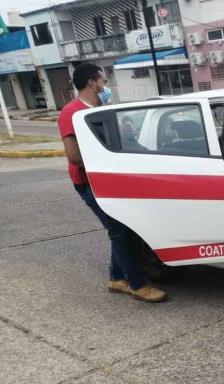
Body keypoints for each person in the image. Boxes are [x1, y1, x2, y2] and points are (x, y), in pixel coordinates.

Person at [58, 62, 166, 302]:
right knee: (120, 231)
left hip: (112, 180)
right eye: (103, 81)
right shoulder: (72, 112)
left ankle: (117, 278)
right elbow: (74, 156)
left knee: (124, 229)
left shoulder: (101, 108)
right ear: (91, 83)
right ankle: (137, 284)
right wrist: (106, 162)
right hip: (89, 183)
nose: (105, 86)